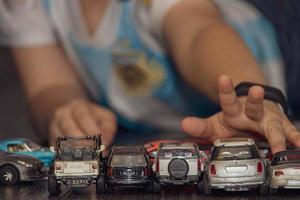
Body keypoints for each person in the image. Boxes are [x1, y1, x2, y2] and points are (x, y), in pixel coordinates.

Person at [0, 0, 299, 153]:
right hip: (156, 120)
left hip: (272, 56)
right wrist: (64, 110)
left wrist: (249, 91)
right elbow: (49, 85)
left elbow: (197, 33)